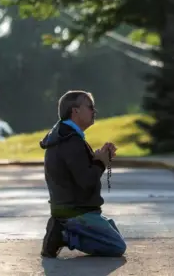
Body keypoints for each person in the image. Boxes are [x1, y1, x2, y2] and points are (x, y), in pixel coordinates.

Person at [39, 90, 126, 258]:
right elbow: (86, 181)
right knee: (117, 246)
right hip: (75, 212)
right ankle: (64, 235)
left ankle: (66, 229)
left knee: (112, 230)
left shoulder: (64, 136)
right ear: (75, 111)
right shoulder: (71, 141)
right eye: (90, 107)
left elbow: (76, 172)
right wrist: (100, 162)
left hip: (70, 209)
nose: (95, 111)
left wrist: (96, 158)